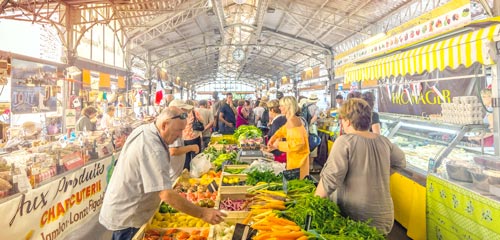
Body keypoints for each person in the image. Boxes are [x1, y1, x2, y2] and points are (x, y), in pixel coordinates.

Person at [99, 106, 226, 240]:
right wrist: (203, 213)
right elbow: (165, 194)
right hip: (129, 217)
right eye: (179, 130)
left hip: (124, 209)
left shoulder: (145, 130)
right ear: (165, 124)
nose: (180, 135)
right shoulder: (153, 148)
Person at [315, 98, 406, 235]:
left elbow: (331, 178)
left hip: (356, 216)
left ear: (347, 121)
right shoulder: (384, 141)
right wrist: (376, 174)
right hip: (383, 216)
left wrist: (313, 202)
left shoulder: (345, 142)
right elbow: (400, 162)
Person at [267, 96, 310, 179]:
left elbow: (298, 144)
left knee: (297, 185)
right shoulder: (292, 119)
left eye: (282, 106)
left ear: (288, 107)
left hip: (298, 161)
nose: (279, 108)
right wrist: (274, 137)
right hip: (296, 158)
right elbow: (283, 130)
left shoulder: (292, 121)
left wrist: (278, 145)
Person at [168, 100, 201, 179]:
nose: (186, 116)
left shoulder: (176, 127)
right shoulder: (173, 128)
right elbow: (173, 151)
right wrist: (191, 147)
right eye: (184, 114)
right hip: (172, 177)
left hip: (175, 174)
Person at [179, 100, 204, 171]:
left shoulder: (182, 113)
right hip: (194, 137)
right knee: (196, 156)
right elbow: (202, 120)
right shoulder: (194, 112)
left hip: (184, 138)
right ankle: (195, 171)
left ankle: (186, 171)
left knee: (186, 157)